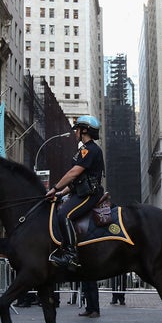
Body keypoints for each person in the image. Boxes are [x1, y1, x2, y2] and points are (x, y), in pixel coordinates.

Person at [45, 115, 105, 271]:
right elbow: (75, 182)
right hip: (81, 192)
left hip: (90, 195)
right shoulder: (83, 150)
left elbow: (73, 173)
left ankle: (71, 255)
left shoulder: (90, 150)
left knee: (64, 215)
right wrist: (60, 194)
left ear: (84, 130)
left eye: (77, 129)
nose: (75, 132)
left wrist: (55, 188)